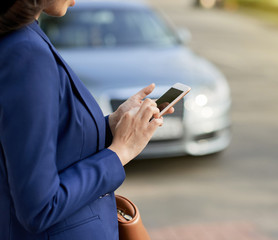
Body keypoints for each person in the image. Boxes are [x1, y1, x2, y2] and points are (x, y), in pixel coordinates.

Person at [0, 0, 173, 239]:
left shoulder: (24, 38)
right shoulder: (26, 51)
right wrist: (121, 151)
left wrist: (112, 124)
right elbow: (39, 208)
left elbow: (49, 144)